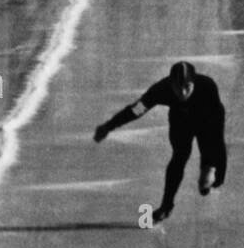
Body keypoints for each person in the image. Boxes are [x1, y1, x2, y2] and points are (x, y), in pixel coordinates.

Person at [93, 61, 228, 224]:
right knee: (179, 156)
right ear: (171, 84)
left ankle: (207, 170)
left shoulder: (207, 86)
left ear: (194, 83)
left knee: (208, 168)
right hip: (181, 120)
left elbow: (217, 136)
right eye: (178, 87)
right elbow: (136, 110)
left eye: (187, 86)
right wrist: (109, 126)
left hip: (206, 118)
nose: (183, 92)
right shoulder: (161, 89)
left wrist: (219, 169)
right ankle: (166, 206)